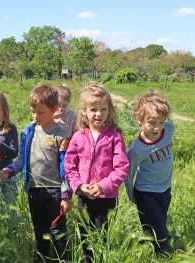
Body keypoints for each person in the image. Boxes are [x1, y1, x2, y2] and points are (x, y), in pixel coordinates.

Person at [0, 84, 72, 262]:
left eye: (41, 112)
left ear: (54, 109)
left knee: (57, 231)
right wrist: (10, 170)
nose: (36, 116)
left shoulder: (61, 135)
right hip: (33, 189)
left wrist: (66, 195)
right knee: (39, 230)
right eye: (33, 112)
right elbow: (22, 160)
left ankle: (64, 259)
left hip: (55, 191)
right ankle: (41, 259)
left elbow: (67, 167)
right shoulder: (28, 132)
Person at [64, 83, 129, 263]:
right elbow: (69, 166)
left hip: (107, 198)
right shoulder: (78, 136)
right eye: (93, 109)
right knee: (85, 238)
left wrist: (103, 186)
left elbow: (122, 167)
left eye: (103, 109)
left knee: (103, 238)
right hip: (84, 197)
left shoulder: (114, 136)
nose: (98, 114)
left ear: (109, 111)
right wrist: (78, 186)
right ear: (84, 111)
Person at [124, 92, 174, 256]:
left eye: (161, 122)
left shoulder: (169, 129)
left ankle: (152, 249)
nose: (157, 127)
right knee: (160, 230)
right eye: (151, 122)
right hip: (146, 192)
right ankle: (167, 255)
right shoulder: (137, 150)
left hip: (165, 189)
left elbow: (165, 126)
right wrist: (132, 196)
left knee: (155, 223)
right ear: (139, 120)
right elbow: (128, 174)